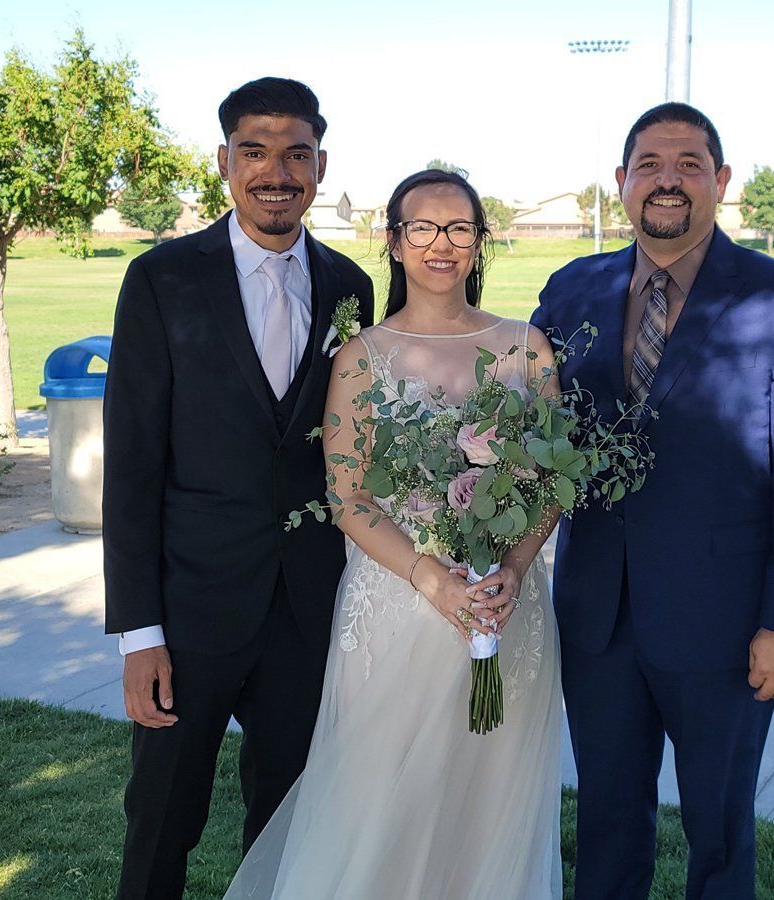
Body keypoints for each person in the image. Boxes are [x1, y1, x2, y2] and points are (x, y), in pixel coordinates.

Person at [530, 102, 774, 899]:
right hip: (598, 617)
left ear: (721, 180)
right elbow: (526, 424)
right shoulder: (571, 290)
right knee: (606, 818)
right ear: (621, 181)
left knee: (718, 828)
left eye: (688, 164)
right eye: (649, 164)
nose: (667, 180)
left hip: (726, 624)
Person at [223, 169, 563, 899]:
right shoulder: (362, 357)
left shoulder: (527, 348)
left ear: (480, 241)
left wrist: (514, 564)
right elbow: (346, 496)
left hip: (506, 612)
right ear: (395, 241)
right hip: (398, 607)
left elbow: (548, 484)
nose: (443, 243)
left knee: (488, 803)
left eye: (460, 227)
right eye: (424, 227)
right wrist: (429, 575)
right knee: (383, 806)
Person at [102, 77, 374, 899]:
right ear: (224, 162)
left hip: (307, 608)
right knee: (162, 818)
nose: (276, 173)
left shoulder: (350, 287)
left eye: (296, 154)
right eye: (255, 152)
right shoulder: (161, 280)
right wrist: (139, 634)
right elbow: (132, 466)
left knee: (290, 818)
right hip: (192, 609)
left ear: (321, 166)